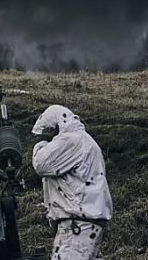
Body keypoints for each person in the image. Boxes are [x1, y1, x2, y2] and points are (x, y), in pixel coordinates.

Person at [31, 105, 113, 260]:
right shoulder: (85, 140)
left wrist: (41, 143)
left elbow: (41, 164)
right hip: (88, 222)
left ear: (55, 128)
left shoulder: (70, 140)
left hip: (77, 224)